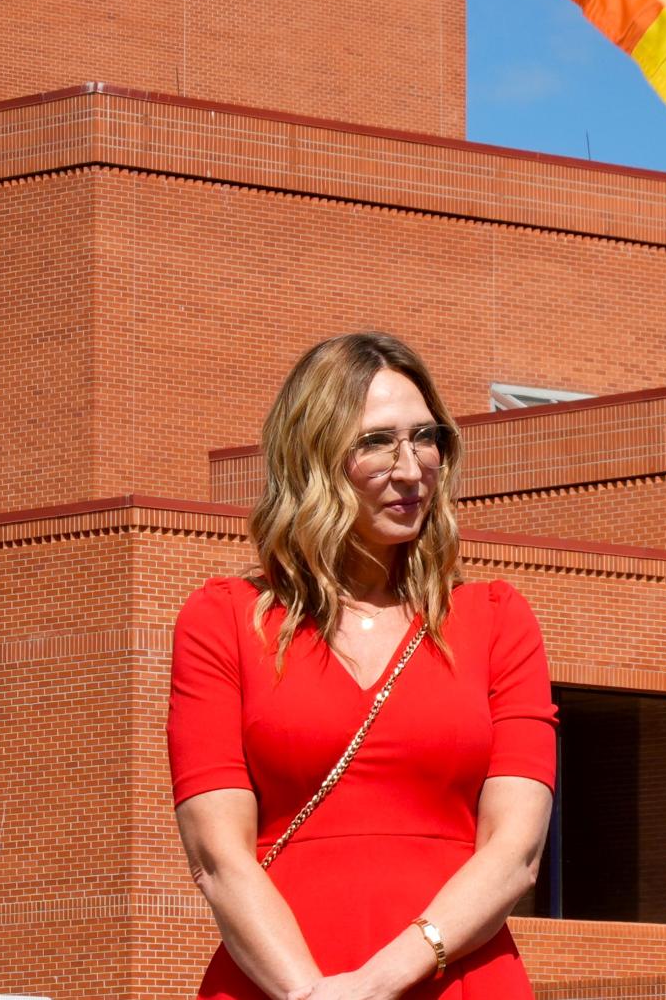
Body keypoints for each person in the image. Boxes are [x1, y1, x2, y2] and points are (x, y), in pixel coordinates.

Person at [167, 332, 558, 1000]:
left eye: (425, 438)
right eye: (377, 441)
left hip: (456, 979)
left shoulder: (496, 619)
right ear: (314, 456)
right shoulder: (224, 620)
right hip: (277, 982)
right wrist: (312, 993)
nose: (411, 468)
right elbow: (216, 856)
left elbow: (516, 853)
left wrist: (375, 983)